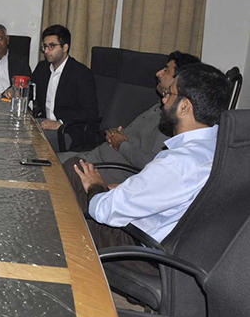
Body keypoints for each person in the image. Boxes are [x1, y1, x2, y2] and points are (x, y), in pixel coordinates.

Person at [70, 63, 231, 253]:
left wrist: (95, 185)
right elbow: (164, 192)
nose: (163, 101)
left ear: (185, 107)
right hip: (180, 249)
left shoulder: (177, 162)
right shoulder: (223, 148)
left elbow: (103, 210)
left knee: (71, 174)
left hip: (143, 251)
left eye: (169, 94)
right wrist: (120, 189)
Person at [58, 51, 200, 182]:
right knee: (44, 158)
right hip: (95, 156)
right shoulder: (158, 106)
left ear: (179, 80)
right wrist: (115, 134)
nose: (158, 73)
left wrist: (121, 144)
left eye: (166, 70)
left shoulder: (172, 119)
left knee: (50, 169)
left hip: (106, 170)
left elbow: (154, 165)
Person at [31, 24, 98, 151]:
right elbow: (30, 88)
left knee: (29, 140)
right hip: (44, 123)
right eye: (45, 46)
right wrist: (15, 90)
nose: (46, 51)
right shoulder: (42, 68)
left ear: (65, 47)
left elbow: (91, 113)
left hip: (69, 131)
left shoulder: (81, 73)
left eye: (51, 46)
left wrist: (60, 123)